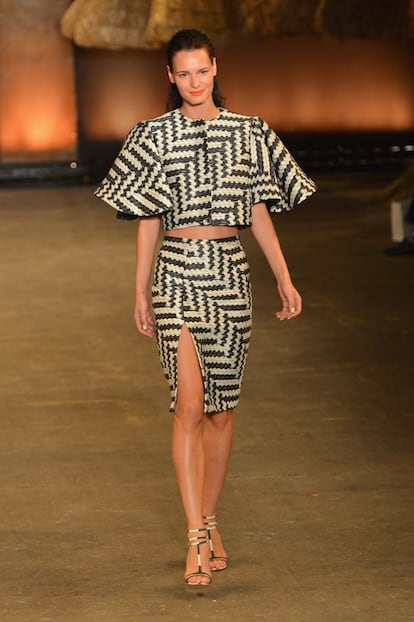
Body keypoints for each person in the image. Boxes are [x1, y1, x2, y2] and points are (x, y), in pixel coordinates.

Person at [95, 28, 316, 586]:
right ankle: (194, 533)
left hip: (229, 274)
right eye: (183, 73)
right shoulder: (153, 135)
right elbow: (148, 218)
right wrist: (139, 290)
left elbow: (258, 209)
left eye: (201, 70)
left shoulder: (249, 132)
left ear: (215, 67)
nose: (194, 81)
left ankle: (211, 519)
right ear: (170, 77)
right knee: (189, 406)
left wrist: (283, 276)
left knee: (222, 411)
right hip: (176, 273)